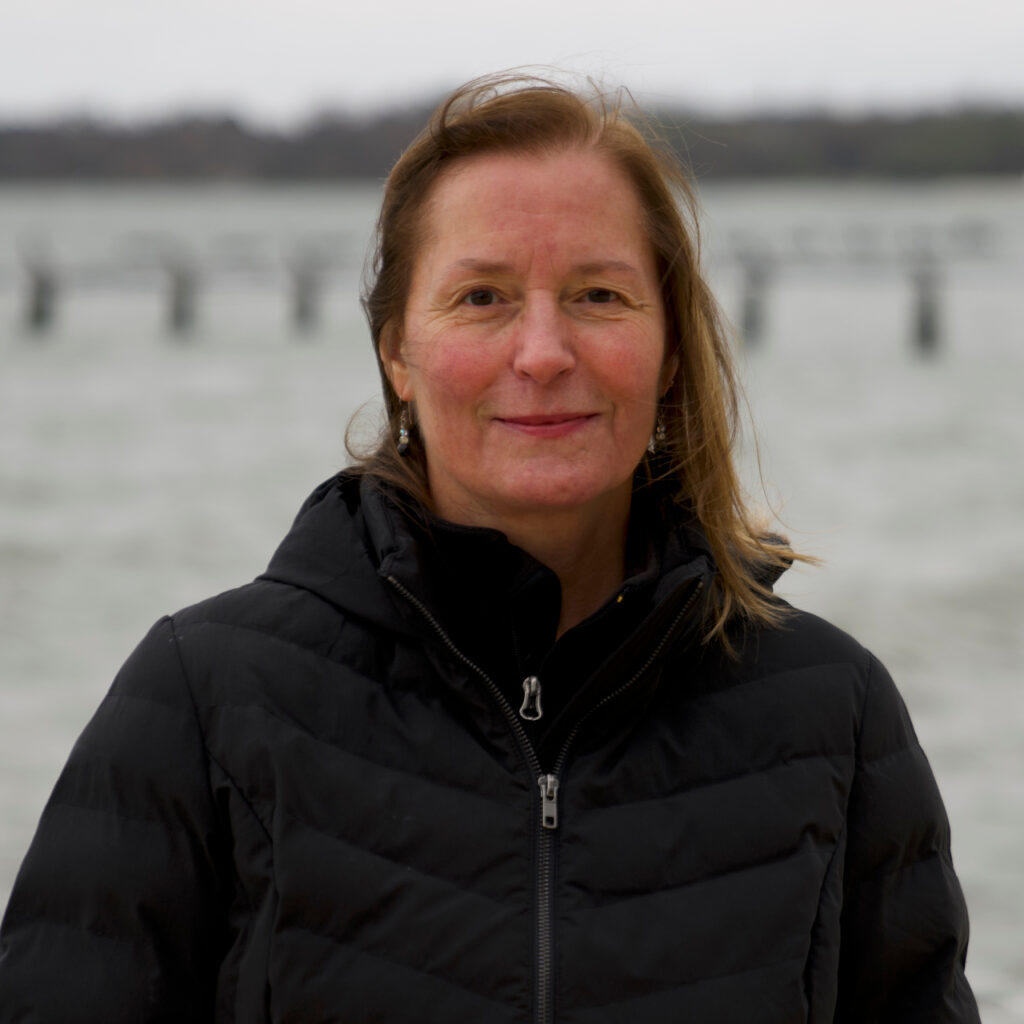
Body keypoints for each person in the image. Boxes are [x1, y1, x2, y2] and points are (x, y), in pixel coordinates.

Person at [0, 73, 979, 1023]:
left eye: (598, 295)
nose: (543, 352)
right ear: (397, 351)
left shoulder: (830, 711)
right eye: (482, 297)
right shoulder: (205, 697)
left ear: (671, 347)